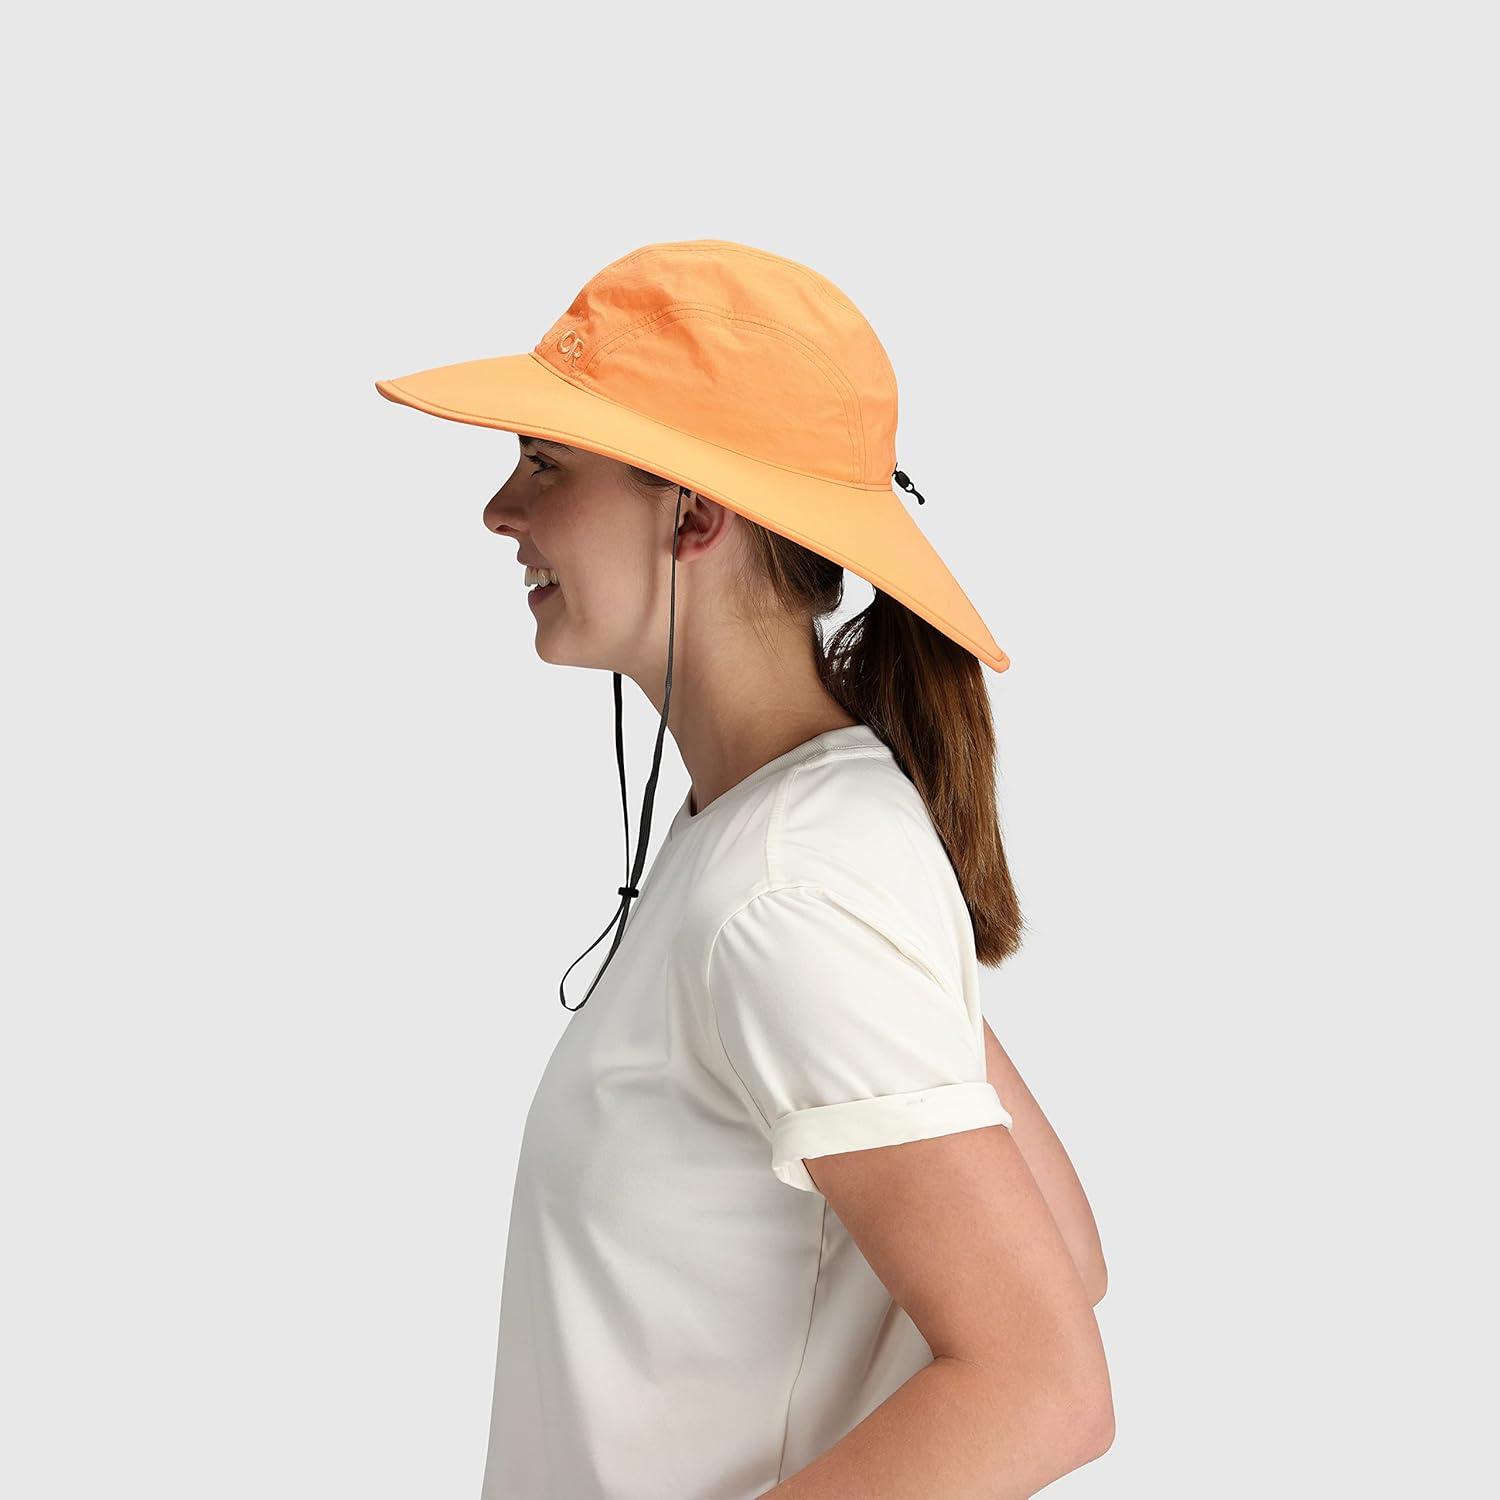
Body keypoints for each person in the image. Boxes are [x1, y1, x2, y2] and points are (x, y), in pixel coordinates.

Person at [375, 239, 1113, 1498]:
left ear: (694, 512)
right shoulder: (783, 832)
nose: (500, 511)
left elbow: (1044, 1385)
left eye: (544, 463)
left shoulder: (790, 884)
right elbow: (1062, 1259)